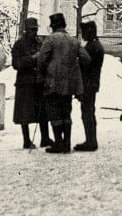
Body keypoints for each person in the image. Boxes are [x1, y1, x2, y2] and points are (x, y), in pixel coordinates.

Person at [37, 13, 87, 153]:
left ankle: (58, 143)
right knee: (66, 113)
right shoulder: (74, 41)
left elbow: (41, 60)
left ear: (53, 25)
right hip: (70, 84)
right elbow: (86, 59)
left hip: (52, 82)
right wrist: (74, 68)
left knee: (55, 113)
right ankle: (67, 143)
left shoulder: (50, 39)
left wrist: (41, 74)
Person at [11, 18, 52, 149]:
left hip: (38, 82)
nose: (34, 32)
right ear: (26, 30)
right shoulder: (19, 44)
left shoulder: (39, 43)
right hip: (25, 83)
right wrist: (33, 58)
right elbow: (16, 64)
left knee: (42, 111)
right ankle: (26, 140)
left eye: (36, 29)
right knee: (25, 114)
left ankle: (45, 138)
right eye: (32, 29)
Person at [76, 21, 104, 152]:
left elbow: (83, 65)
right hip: (92, 84)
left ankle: (90, 142)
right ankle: (91, 140)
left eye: (84, 32)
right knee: (89, 112)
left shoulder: (92, 47)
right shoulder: (96, 45)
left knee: (87, 113)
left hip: (87, 84)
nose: (82, 34)